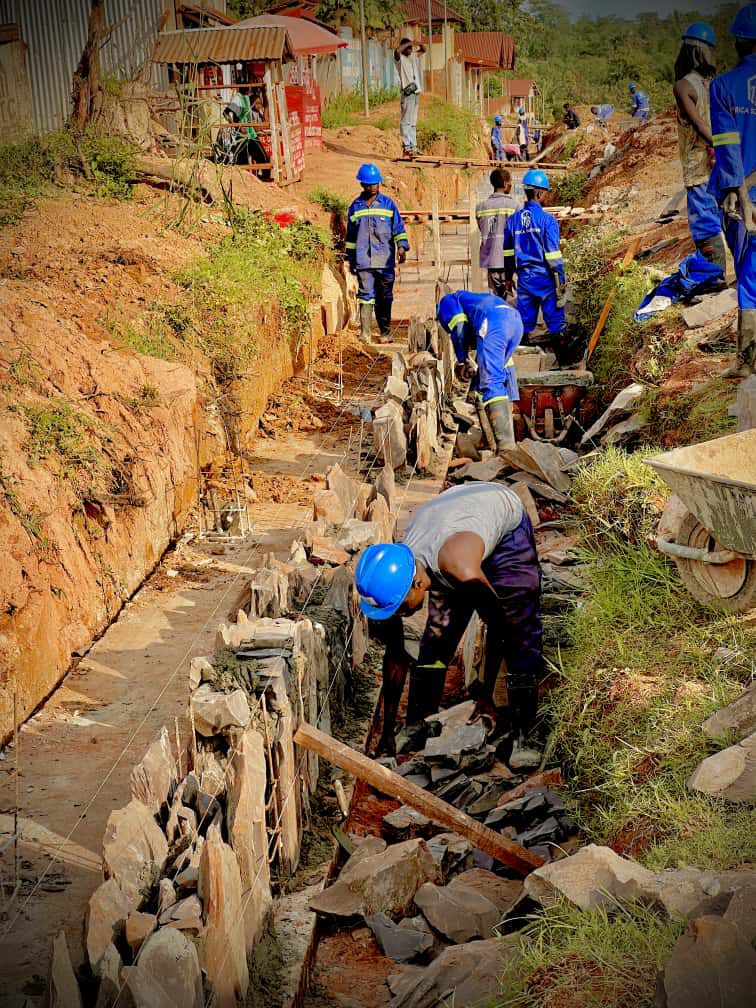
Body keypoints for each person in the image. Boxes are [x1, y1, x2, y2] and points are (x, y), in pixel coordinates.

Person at [355, 482, 544, 768]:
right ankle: (419, 723)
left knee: (519, 629)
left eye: (403, 608)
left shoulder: (460, 567)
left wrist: (485, 695)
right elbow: (394, 655)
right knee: (436, 641)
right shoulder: (397, 575)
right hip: (455, 523)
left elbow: (498, 627)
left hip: (505, 528)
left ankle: (524, 733)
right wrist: (389, 732)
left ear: (418, 583)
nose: (402, 615)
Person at [709, 2, 756, 376]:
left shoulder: (723, 86)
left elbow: (727, 150)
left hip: (742, 202)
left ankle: (747, 362)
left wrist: (742, 198)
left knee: (750, 278)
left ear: (738, 43)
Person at [437, 289, 522, 453]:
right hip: (514, 322)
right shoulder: (475, 300)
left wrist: (462, 360)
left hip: (493, 324)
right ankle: (502, 431)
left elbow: (459, 328)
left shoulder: (447, 302)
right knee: (502, 367)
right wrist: (474, 387)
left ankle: (506, 448)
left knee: (492, 382)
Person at [504, 169, 574, 364]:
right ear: (539, 193)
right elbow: (553, 255)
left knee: (524, 325)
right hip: (545, 279)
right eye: (546, 193)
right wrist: (560, 278)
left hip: (525, 279)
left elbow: (508, 255)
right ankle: (564, 364)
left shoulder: (513, 221)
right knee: (555, 323)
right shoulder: (547, 220)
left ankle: (521, 365)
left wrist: (509, 279)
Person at [673, 21, 727, 271]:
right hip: (722, 164)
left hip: (699, 169)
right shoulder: (713, 83)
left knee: (705, 223)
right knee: (725, 217)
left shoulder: (684, 86)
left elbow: (698, 125)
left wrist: (717, 144)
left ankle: (713, 275)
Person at [345, 163, 409, 344]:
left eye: (375, 184)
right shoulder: (355, 207)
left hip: (385, 260)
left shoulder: (388, 205)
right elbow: (350, 236)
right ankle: (365, 333)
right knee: (366, 295)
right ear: (362, 185)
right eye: (369, 184)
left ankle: (385, 332)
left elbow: (398, 228)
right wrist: (350, 259)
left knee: (385, 297)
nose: (373, 187)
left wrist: (402, 246)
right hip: (364, 261)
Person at [475, 168, 520, 301]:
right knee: (513, 300)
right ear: (506, 184)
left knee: (496, 300)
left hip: (491, 260)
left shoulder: (480, 207)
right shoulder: (514, 206)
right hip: (510, 261)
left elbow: (482, 228)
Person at [395, 37, 426, 158]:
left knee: (413, 122)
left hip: (416, 93)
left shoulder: (413, 57)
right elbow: (397, 51)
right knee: (406, 122)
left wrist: (418, 43)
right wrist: (408, 43)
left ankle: (413, 147)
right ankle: (406, 147)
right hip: (407, 94)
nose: (409, 49)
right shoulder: (399, 59)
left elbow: (424, 50)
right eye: (407, 48)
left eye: (410, 48)